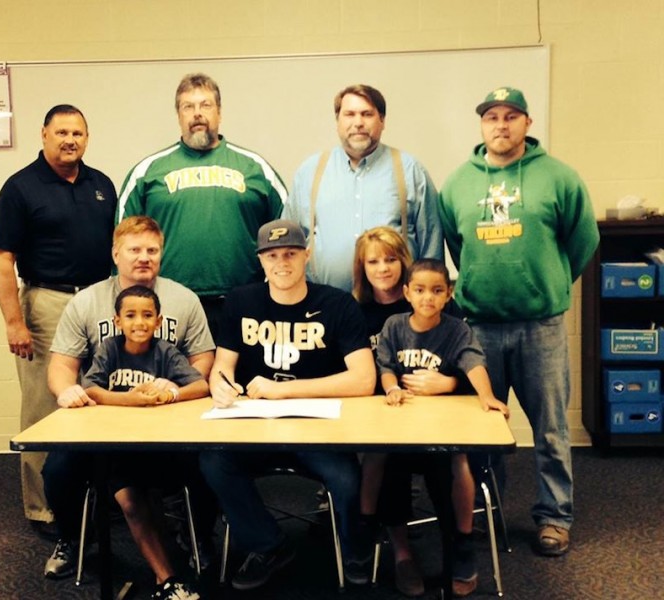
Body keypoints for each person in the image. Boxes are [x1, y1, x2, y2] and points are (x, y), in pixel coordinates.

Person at [438, 87, 599, 557]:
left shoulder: (559, 178)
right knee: (483, 430)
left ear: (527, 123)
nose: (501, 125)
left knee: (550, 428)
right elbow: (456, 244)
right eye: (492, 116)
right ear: (482, 125)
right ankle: (489, 515)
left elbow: (582, 241)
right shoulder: (457, 184)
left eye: (511, 116)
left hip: (541, 327)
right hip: (479, 328)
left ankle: (554, 517)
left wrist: (548, 282)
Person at [199, 218, 377, 592]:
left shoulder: (337, 304)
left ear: (306, 256)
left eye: (291, 254)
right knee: (213, 460)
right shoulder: (241, 300)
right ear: (261, 260)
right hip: (254, 425)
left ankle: (355, 551)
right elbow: (223, 367)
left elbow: (363, 380)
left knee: (346, 480)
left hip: (318, 428)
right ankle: (269, 545)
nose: (282, 262)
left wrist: (288, 390)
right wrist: (221, 386)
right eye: (273, 255)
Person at [42, 215, 216, 580]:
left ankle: (197, 534)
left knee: (212, 462)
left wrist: (172, 391)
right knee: (58, 468)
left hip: (169, 420)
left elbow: (202, 360)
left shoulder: (184, 300)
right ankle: (71, 538)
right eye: (134, 250)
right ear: (115, 253)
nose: (144, 257)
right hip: (103, 419)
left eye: (152, 250)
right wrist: (67, 390)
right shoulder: (87, 301)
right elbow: (62, 364)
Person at [0, 104, 117, 531]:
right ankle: (45, 509)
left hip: (99, 301)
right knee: (44, 408)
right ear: (43, 134)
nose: (70, 140)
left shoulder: (102, 185)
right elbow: (3, 260)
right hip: (46, 304)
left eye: (77, 133)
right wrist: (13, 322)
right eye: (61, 132)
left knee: (100, 399)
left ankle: (102, 499)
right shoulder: (20, 188)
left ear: (87, 137)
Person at [58, 285, 206, 600]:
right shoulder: (109, 349)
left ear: (159, 320)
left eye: (147, 315)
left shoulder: (165, 351)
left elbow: (201, 385)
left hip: (157, 448)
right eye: (131, 315)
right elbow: (93, 390)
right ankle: (168, 580)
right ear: (117, 321)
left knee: (157, 494)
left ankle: (171, 573)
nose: (139, 322)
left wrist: (171, 394)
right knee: (131, 503)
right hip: (116, 451)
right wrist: (131, 400)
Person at [372, 258, 509, 597]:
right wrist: (391, 388)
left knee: (457, 462)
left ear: (449, 294)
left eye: (436, 291)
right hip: (402, 427)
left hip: (444, 429)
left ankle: (461, 541)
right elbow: (385, 366)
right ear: (406, 293)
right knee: (389, 467)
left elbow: (473, 363)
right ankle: (402, 553)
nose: (427, 298)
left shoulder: (457, 329)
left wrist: (486, 395)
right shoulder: (393, 325)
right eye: (419, 290)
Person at [116, 72, 288, 335]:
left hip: (245, 300)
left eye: (205, 105)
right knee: (173, 376)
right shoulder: (148, 171)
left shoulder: (255, 168)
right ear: (179, 116)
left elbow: (287, 232)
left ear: (219, 112)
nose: (197, 113)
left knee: (236, 376)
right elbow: (122, 240)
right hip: (168, 302)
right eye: (188, 106)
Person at [284, 84, 443, 292]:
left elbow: (431, 243)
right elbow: (288, 242)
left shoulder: (409, 170)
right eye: (349, 114)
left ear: (382, 121)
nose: (358, 123)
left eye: (367, 114)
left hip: (394, 308)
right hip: (325, 306)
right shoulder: (310, 172)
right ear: (337, 121)